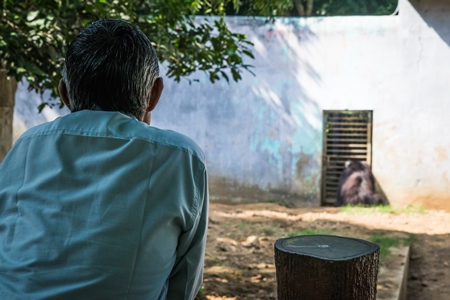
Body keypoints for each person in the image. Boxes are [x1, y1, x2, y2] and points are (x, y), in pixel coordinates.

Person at [0, 19, 208, 299]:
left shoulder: (27, 145)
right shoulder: (181, 157)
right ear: (154, 94)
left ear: (64, 93)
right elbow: (184, 286)